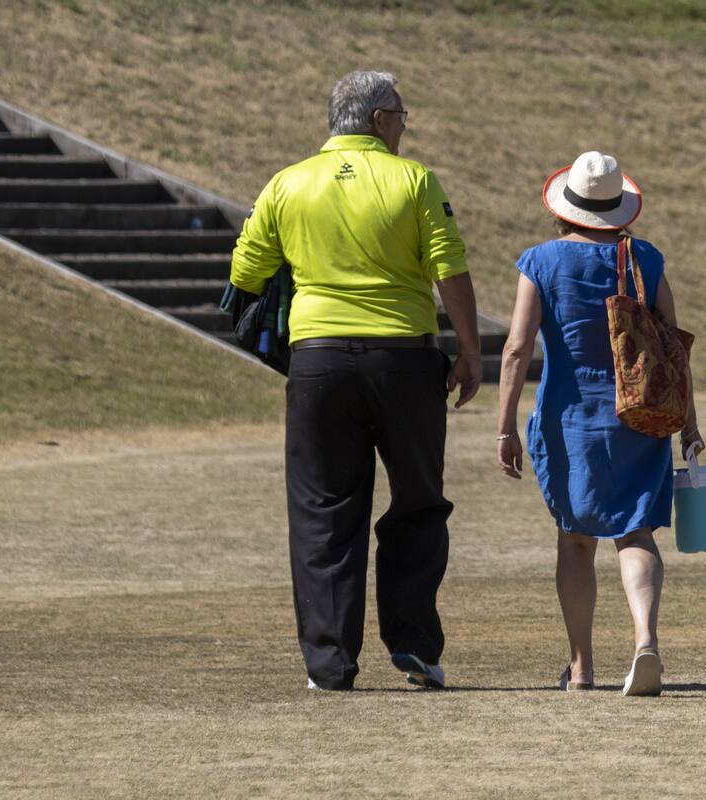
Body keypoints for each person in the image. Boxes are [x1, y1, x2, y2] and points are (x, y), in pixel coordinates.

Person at [230, 70, 482, 691]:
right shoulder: (413, 179)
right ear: (377, 119)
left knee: (323, 510)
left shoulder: (288, 183)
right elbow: (448, 268)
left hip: (318, 361)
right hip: (405, 358)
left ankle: (329, 664)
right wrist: (471, 352)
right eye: (400, 114)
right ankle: (416, 646)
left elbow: (246, 268)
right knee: (419, 502)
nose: (404, 124)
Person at [495, 151, 703, 696]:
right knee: (636, 531)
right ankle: (645, 643)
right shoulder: (647, 259)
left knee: (576, 540)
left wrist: (504, 427)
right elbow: (673, 348)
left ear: (566, 207)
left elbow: (517, 349)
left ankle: (582, 667)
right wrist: (689, 424)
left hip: (570, 418)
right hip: (640, 414)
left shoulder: (539, 261)